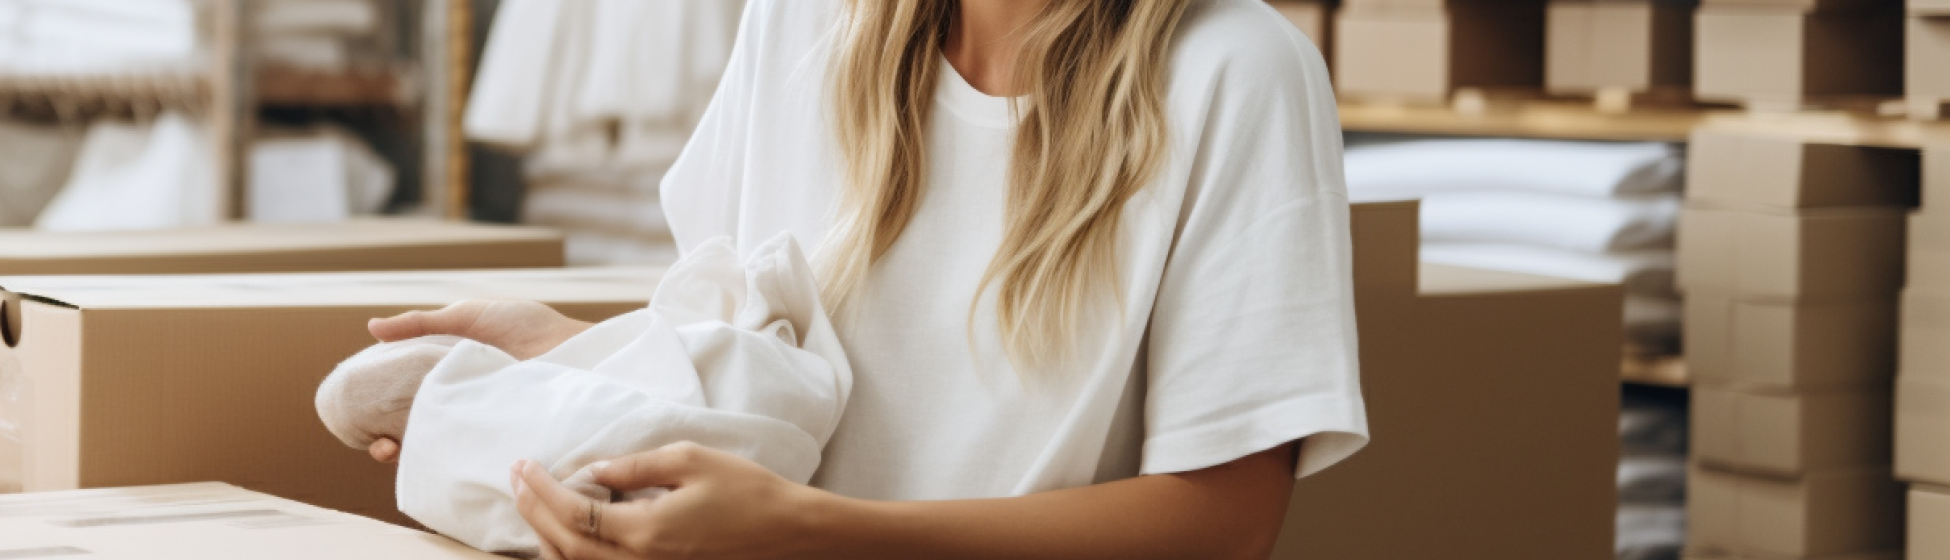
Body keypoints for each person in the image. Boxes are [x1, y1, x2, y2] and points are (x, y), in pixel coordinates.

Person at [365, 0, 1369, 558]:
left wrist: (805, 533)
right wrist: (577, 358)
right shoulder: (799, 24)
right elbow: (762, 355)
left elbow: (1225, 520)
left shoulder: (1235, 70)